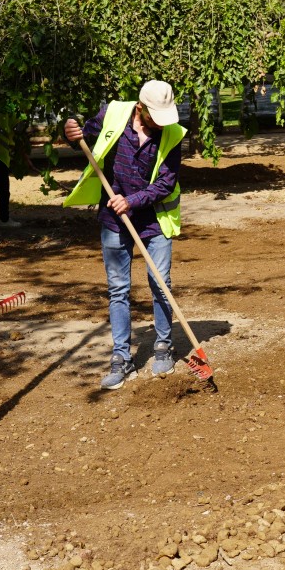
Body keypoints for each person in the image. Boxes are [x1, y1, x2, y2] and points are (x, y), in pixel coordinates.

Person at [62, 81, 185, 390]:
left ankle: (163, 346)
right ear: (140, 109)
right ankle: (121, 359)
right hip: (114, 221)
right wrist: (71, 134)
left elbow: (166, 183)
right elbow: (84, 138)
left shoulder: (171, 133)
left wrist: (132, 201)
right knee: (118, 289)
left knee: (160, 283)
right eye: (156, 116)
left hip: (154, 220)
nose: (162, 123)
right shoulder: (113, 114)